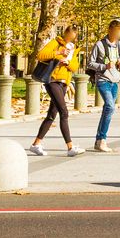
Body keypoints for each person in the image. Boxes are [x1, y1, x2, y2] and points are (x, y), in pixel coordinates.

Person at [29, 26, 84, 157]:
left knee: (51, 115)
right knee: (64, 112)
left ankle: (36, 144)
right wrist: (58, 53)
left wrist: (67, 63)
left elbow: (75, 66)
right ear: (65, 33)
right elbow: (40, 55)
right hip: (52, 80)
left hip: (64, 83)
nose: (71, 37)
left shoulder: (74, 49)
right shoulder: (56, 43)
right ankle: (70, 147)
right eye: (69, 34)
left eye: (74, 36)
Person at [89, 18, 120, 153]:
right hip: (103, 80)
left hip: (115, 81)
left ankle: (99, 141)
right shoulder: (99, 45)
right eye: (117, 32)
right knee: (110, 107)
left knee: (108, 110)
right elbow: (90, 63)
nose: (118, 35)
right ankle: (102, 139)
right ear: (111, 30)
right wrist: (104, 66)